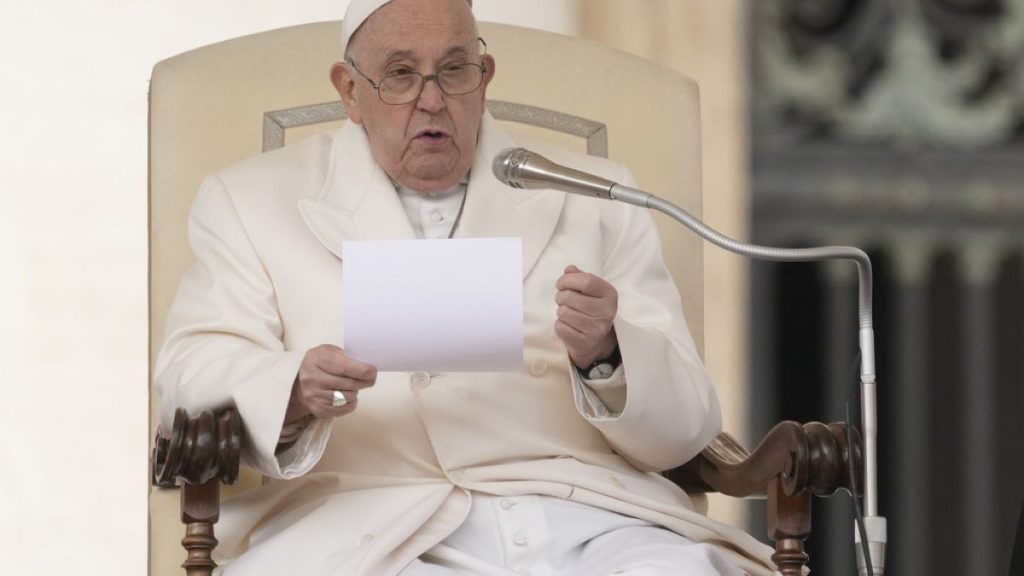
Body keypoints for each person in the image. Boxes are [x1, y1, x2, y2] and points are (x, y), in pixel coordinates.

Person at [155, 0, 775, 574]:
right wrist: (292, 386)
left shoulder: (596, 193)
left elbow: (691, 425)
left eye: (454, 70)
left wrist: (608, 355)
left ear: (485, 78)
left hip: (586, 515)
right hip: (373, 528)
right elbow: (189, 371)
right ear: (349, 91)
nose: (431, 100)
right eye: (400, 74)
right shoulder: (250, 200)